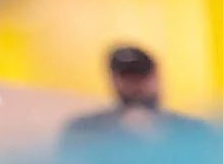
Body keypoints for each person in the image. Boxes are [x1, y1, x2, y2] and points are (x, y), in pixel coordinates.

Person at [59, 45, 205, 146]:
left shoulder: (191, 131)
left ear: (156, 77)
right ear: (114, 80)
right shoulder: (85, 130)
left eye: (141, 75)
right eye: (126, 77)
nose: (135, 84)